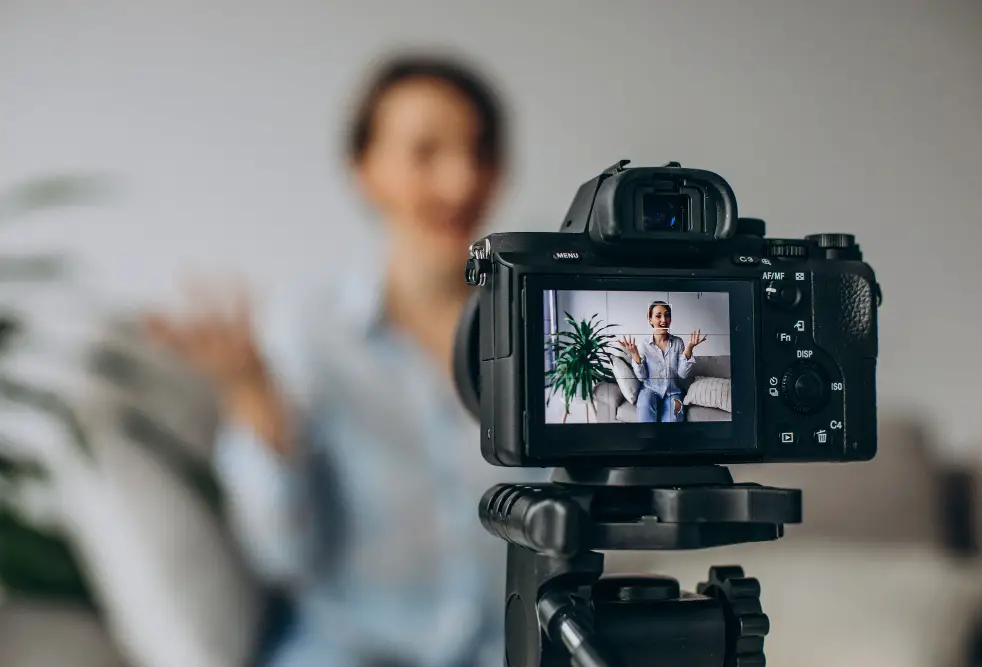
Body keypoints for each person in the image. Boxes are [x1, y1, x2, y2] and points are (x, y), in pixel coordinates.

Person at [144, 53, 536, 667]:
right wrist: (255, 405)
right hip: (349, 652)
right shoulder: (307, 329)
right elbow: (283, 558)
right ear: (366, 169)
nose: (462, 181)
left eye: (480, 150)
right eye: (426, 152)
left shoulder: (545, 329)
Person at [617, 301, 707, 423]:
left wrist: (689, 348)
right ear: (650, 319)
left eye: (667, 315)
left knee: (674, 419)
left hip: (673, 392)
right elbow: (642, 378)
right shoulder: (644, 345)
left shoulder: (678, 342)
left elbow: (682, 374)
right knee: (645, 414)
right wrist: (635, 354)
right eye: (658, 316)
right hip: (649, 390)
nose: (664, 319)